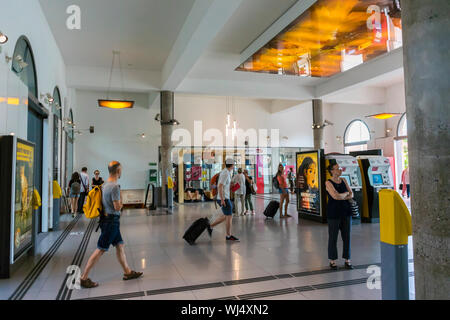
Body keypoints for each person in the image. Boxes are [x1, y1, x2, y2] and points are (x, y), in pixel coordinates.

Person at [80, 161, 143, 288]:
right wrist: (121, 202)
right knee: (101, 249)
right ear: (118, 171)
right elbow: (116, 207)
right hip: (111, 222)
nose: (122, 172)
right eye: (121, 170)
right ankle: (83, 278)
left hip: (106, 220)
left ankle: (127, 272)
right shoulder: (115, 187)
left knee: (120, 245)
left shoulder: (104, 185)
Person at [325, 163, 354, 270]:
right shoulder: (328, 182)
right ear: (332, 171)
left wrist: (343, 195)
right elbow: (335, 196)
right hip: (334, 213)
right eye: (337, 169)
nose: (340, 170)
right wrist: (345, 194)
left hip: (346, 212)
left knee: (347, 237)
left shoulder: (344, 180)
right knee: (333, 237)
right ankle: (332, 260)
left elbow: (352, 194)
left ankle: (347, 259)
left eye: (340, 168)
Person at [208, 159, 240, 242]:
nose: (234, 165)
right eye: (234, 164)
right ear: (231, 165)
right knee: (229, 216)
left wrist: (231, 186)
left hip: (225, 197)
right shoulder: (225, 173)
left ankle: (211, 226)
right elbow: (220, 186)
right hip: (224, 198)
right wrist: (222, 199)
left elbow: (224, 186)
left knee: (227, 216)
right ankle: (228, 236)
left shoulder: (227, 172)